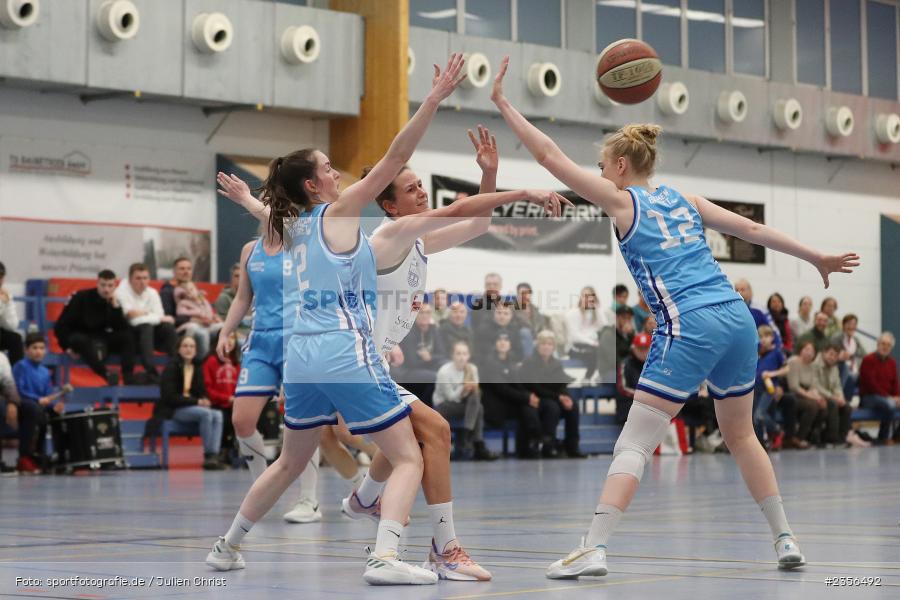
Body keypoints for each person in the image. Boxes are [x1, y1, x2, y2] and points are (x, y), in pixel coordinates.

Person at [490, 54, 858, 577]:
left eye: (601, 166)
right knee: (741, 434)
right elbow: (751, 231)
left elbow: (550, 156)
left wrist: (504, 102)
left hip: (689, 324)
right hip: (736, 318)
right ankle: (785, 538)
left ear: (619, 168)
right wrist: (815, 256)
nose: (598, 174)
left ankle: (593, 546)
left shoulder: (622, 202)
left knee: (635, 441)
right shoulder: (685, 198)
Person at [207, 54, 474, 585]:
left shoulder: (298, 227)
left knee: (288, 462)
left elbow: (269, 214)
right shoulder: (341, 209)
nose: (336, 172)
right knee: (406, 457)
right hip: (341, 348)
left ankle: (226, 545)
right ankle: (384, 558)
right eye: (328, 167)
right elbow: (396, 155)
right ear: (314, 186)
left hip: (300, 358)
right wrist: (433, 100)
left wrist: (247, 200)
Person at [54, 269, 137, 385]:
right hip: (81, 337)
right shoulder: (80, 297)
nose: (106, 289)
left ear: (115, 286)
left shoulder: (114, 301)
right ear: (97, 283)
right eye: (103, 285)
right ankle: (106, 374)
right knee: (79, 340)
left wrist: (115, 308)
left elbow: (122, 328)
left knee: (127, 337)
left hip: (102, 338)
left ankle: (128, 377)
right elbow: (61, 326)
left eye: (110, 285)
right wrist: (66, 347)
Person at [156, 336, 224, 470]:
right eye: (185, 346)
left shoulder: (197, 366)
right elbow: (170, 397)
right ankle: (209, 455)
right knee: (206, 414)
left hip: (193, 409)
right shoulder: (171, 367)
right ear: (179, 349)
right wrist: (197, 401)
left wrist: (205, 399)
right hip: (174, 409)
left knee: (218, 415)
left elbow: (202, 390)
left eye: (192, 346)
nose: (189, 349)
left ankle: (214, 455)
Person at [518, 330, 585, 459]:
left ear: (553, 347)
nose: (546, 347)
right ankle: (549, 445)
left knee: (573, 406)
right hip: (535, 398)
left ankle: (572, 446)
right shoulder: (529, 362)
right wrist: (559, 397)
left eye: (549, 344)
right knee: (552, 407)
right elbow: (535, 386)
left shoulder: (556, 363)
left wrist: (566, 397)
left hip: (551, 396)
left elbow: (561, 384)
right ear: (537, 346)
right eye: (543, 344)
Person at [12, 334, 73, 473]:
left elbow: (48, 394)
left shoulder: (45, 372)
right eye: (34, 348)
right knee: (34, 409)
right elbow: (18, 390)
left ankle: (60, 457)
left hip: (38, 406)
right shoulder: (20, 366)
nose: (38, 351)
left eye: (41, 348)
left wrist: (54, 406)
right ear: (26, 350)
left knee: (57, 415)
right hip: (22, 404)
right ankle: (25, 457)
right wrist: (37, 399)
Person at [481, 332, 542, 458]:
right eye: (500, 340)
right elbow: (501, 388)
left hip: (508, 402)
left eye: (506, 340)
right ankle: (534, 441)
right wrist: (526, 398)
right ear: (495, 344)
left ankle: (529, 446)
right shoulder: (489, 362)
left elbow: (517, 385)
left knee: (528, 407)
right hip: (495, 406)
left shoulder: (511, 362)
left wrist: (530, 396)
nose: (503, 343)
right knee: (525, 407)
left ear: (510, 344)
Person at [432, 340, 495, 461]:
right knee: (479, 408)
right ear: (453, 355)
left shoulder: (472, 369)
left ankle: (467, 434)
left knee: (476, 400)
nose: (462, 357)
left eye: (464, 354)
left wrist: (472, 388)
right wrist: (463, 388)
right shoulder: (444, 372)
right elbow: (450, 397)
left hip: (465, 404)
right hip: (444, 405)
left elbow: (476, 393)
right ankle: (476, 442)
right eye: (458, 353)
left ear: (469, 355)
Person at [115, 263, 177, 383]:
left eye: (145, 278)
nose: (142, 282)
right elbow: (130, 316)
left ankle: (176, 368)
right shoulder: (121, 291)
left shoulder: (152, 292)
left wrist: (144, 314)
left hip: (150, 336)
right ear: (130, 279)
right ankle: (151, 371)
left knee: (168, 328)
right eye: (138, 278)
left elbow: (160, 315)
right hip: (130, 336)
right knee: (146, 326)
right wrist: (151, 314)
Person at [814, 343, 866, 448]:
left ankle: (842, 438)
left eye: (835, 355)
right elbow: (816, 386)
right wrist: (832, 397)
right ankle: (832, 439)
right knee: (833, 404)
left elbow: (837, 385)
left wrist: (840, 397)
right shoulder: (815, 365)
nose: (832, 357)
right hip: (817, 396)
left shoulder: (834, 368)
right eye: (830, 354)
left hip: (831, 397)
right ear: (824, 353)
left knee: (846, 406)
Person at [203, 330, 239, 461]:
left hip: (235, 404)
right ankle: (221, 451)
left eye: (233, 337)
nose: (229, 341)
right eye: (226, 337)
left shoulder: (237, 363)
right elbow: (208, 389)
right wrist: (227, 398)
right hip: (217, 404)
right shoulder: (211, 361)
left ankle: (235, 451)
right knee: (224, 417)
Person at [858, 332, 900, 445]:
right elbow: (871, 384)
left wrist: (897, 397)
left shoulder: (892, 362)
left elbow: (895, 383)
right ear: (877, 345)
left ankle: (897, 436)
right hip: (869, 397)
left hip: (885, 397)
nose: (885, 347)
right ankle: (883, 437)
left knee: (892, 403)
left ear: (891, 348)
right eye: (883, 343)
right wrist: (890, 397)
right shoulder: (868, 360)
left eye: (888, 345)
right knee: (889, 404)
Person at [784, 341, 826, 448]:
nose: (809, 353)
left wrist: (818, 397)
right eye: (806, 349)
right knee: (812, 406)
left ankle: (813, 437)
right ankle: (798, 438)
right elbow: (794, 386)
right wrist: (812, 397)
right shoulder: (793, 362)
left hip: (806, 394)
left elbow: (814, 385)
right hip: (792, 396)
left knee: (824, 405)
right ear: (800, 350)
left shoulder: (812, 366)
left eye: (812, 351)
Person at [565, 286, 606, 382]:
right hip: (575, 347)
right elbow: (574, 337)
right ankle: (588, 377)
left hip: (594, 346)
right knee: (595, 352)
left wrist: (597, 309)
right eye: (585, 296)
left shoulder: (596, 314)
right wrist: (591, 342)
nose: (587, 299)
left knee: (606, 351)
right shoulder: (573, 314)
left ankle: (602, 376)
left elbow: (605, 328)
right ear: (581, 298)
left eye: (591, 296)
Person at [753, 326, 785, 449]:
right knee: (755, 419)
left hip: (769, 389)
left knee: (759, 415)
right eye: (761, 337)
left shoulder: (777, 352)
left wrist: (772, 374)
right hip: (756, 388)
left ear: (772, 337)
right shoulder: (758, 353)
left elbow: (786, 368)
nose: (764, 339)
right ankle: (761, 444)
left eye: (767, 336)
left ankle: (777, 430)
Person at [174, 280, 223, 358]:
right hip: (192, 327)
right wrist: (198, 319)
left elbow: (210, 314)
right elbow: (181, 315)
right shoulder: (183, 303)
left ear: (196, 289)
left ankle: (221, 356)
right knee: (203, 334)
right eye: (187, 291)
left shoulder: (203, 301)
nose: (190, 293)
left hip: (207, 326)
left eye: (191, 289)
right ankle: (203, 359)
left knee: (222, 326)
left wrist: (213, 319)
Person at [734, 279, 783, 351]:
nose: (739, 292)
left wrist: (776, 347)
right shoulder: (731, 311)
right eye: (736, 290)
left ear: (750, 292)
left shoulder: (760, 310)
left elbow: (774, 331)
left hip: (760, 350)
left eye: (742, 289)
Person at [615, 332, 651, 424]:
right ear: (633, 348)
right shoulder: (625, 364)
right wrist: (642, 396)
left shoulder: (654, 365)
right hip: (629, 405)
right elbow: (622, 388)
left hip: (649, 404)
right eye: (640, 348)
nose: (643, 352)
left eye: (646, 348)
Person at [832, 314, 866, 402]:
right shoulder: (837, 338)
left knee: (868, 377)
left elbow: (864, 355)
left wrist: (853, 356)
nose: (851, 326)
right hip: (840, 370)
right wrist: (839, 356)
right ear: (843, 325)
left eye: (854, 324)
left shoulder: (856, 340)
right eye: (849, 324)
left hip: (855, 370)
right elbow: (831, 354)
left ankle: (864, 403)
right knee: (849, 376)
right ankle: (845, 402)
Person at [597, 305, 635, 383]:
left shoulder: (630, 335)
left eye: (629, 318)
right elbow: (613, 359)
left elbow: (635, 354)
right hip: (610, 371)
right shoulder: (608, 333)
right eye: (624, 317)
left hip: (625, 369)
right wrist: (625, 337)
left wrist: (630, 337)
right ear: (617, 318)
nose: (627, 321)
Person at [0, 261, 24, 365]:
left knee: (15, 339)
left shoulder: (5, 295)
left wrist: (6, 302)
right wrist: (1, 303)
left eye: (1, 277)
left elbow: (12, 325)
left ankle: (17, 376)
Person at [159, 257, 194, 328]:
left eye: (189, 269)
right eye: (182, 269)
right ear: (174, 271)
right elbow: (169, 317)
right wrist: (192, 319)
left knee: (220, 328)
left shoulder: (193, 289)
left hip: (202, 324)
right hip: (180, 329)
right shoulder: (166, 291)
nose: (186, 272)